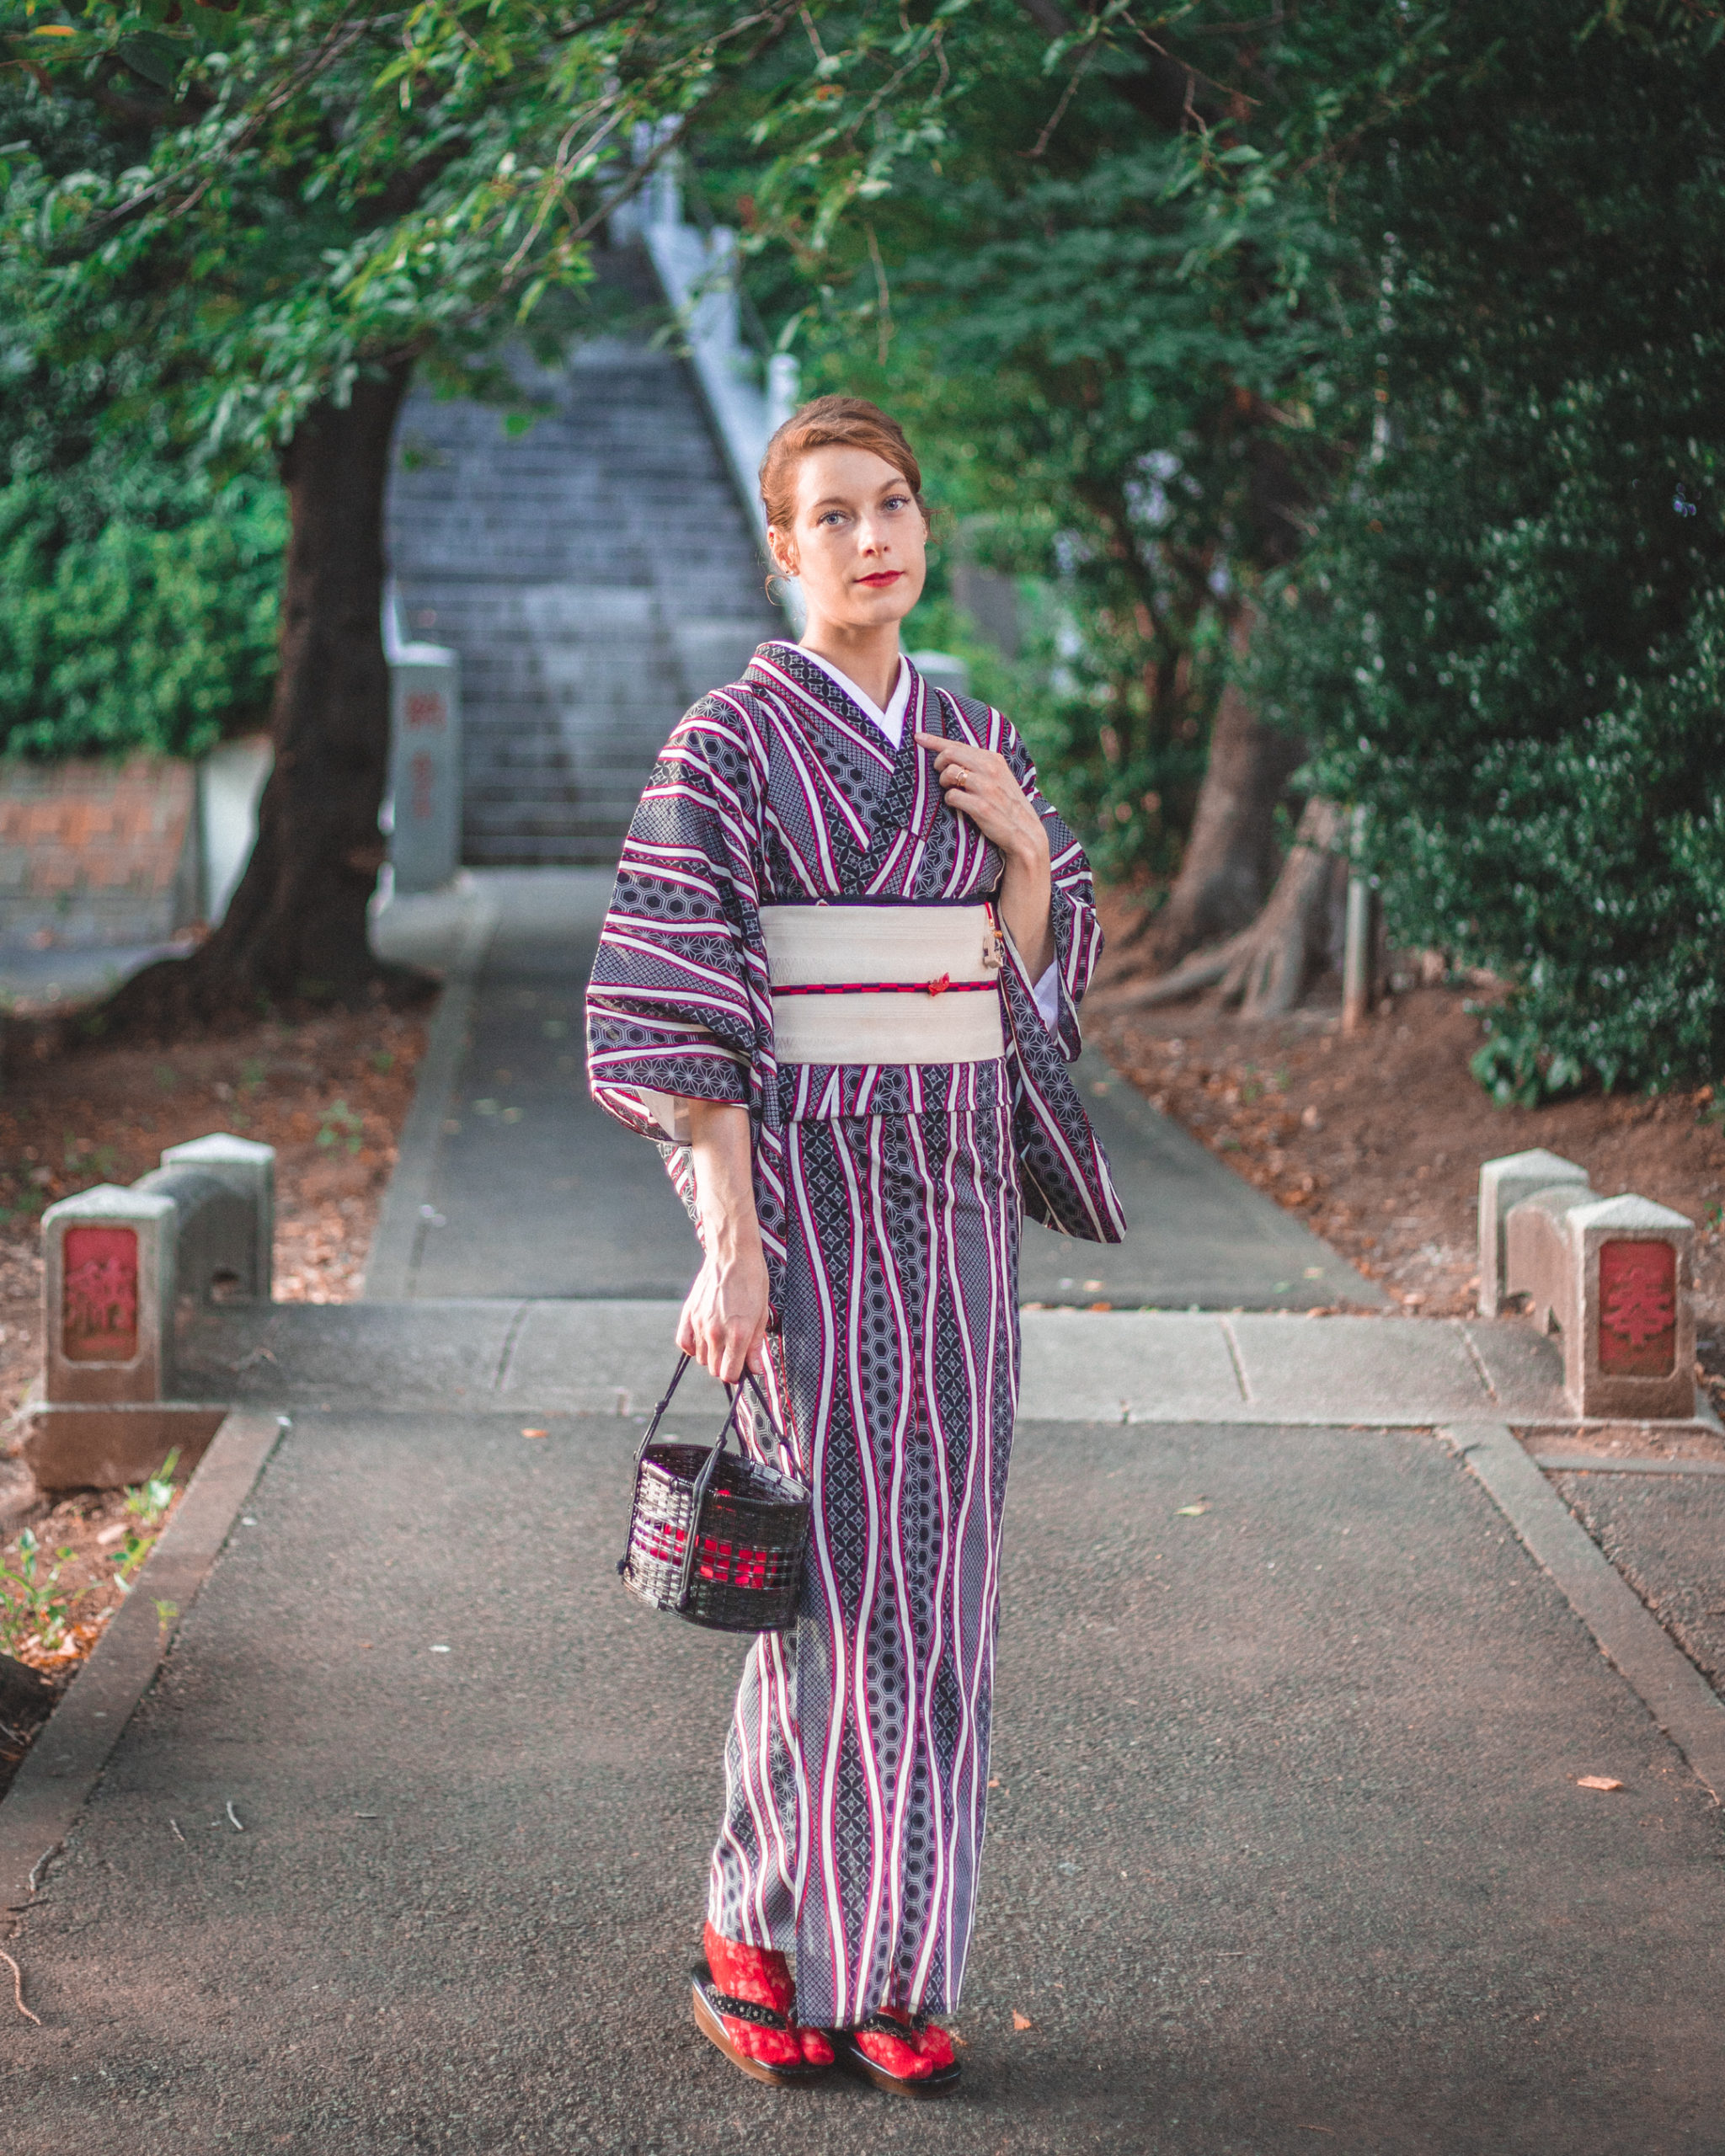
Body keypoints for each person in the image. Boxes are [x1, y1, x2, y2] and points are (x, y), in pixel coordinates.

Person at [586, 396, 1114, 2095]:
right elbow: (688, 1009)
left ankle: (896, 1960)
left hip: (953, 1201)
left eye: (892, 505)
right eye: (832, 513)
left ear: (921, 529)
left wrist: (1024, 856)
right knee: (819, 1587)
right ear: (783, 547)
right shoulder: (727, 744)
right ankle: (757, 1936)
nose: (869, 535)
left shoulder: (976, 730)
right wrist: (726, 1240)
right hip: (802, 1199)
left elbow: (1022, 983)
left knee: (941, 1582)